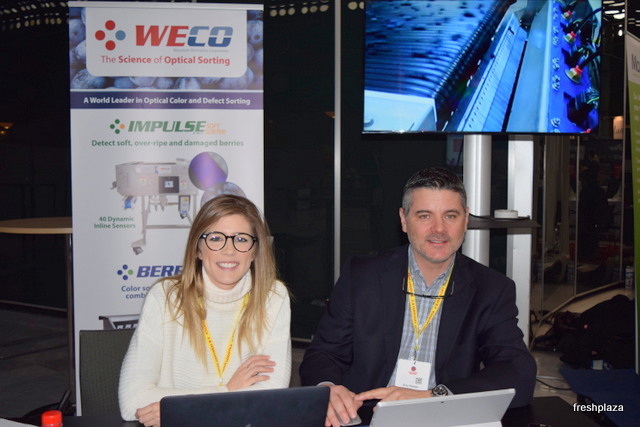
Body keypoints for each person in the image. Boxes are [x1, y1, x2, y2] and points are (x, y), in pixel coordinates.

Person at [299, 167, 536, 427]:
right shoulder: (361, 276)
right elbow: (322, 354)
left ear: (466, 220)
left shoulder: (491, 288)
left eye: (450, 216)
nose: (439, 229)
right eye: (424, 216)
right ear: (404, 219)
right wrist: (328, 388)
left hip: (442, 418)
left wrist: (435, 396)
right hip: (364, 415)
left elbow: (518, 372)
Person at [118, 195, 291, 426]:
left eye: (241, 239)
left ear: (254, 252)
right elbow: (132, 402)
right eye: (216, 238)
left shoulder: (273, 296)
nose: (229, 250)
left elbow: (272, 396)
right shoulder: (165, 297)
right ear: (198, 249)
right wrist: (227, 390)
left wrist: (184, 410)